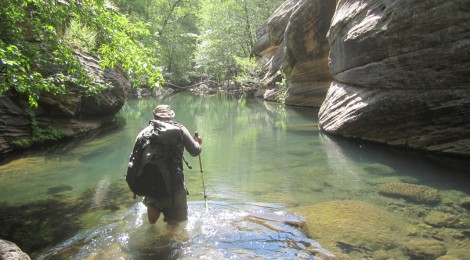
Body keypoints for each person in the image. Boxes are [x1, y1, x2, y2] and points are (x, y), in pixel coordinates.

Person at [132, 104, 202, 225]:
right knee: (174, 223)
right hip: (173, 185)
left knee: (152, 207)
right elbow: (195, 151)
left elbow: (135, 159)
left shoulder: (144, 133)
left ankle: (151, 233)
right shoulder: (180, 129)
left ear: (155, 116)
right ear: (171, 116)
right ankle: (171, 240)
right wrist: (198, 143)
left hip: (150, 182)